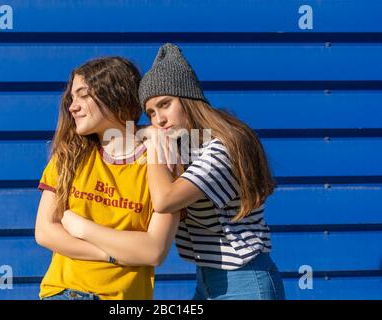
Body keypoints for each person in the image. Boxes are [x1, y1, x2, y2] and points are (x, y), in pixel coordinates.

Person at [65, 43, 286, 300]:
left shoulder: (222, 148)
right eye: (150, 112)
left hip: (245, 281)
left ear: (188, 99)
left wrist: (155, 142)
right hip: (208, 279)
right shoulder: (188, 143)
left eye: (165, 104)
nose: (158, 119)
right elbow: (125, 141)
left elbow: (164, 199)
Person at [34, 56, 180, 300]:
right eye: (71, 98)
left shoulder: (161, 163)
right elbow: (45, 232)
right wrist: (113, 254)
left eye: (83, 95)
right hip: (62, 293)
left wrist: (83, 228)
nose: (72, 106)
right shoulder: (69, 155)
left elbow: (154, 251)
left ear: (115, 94)